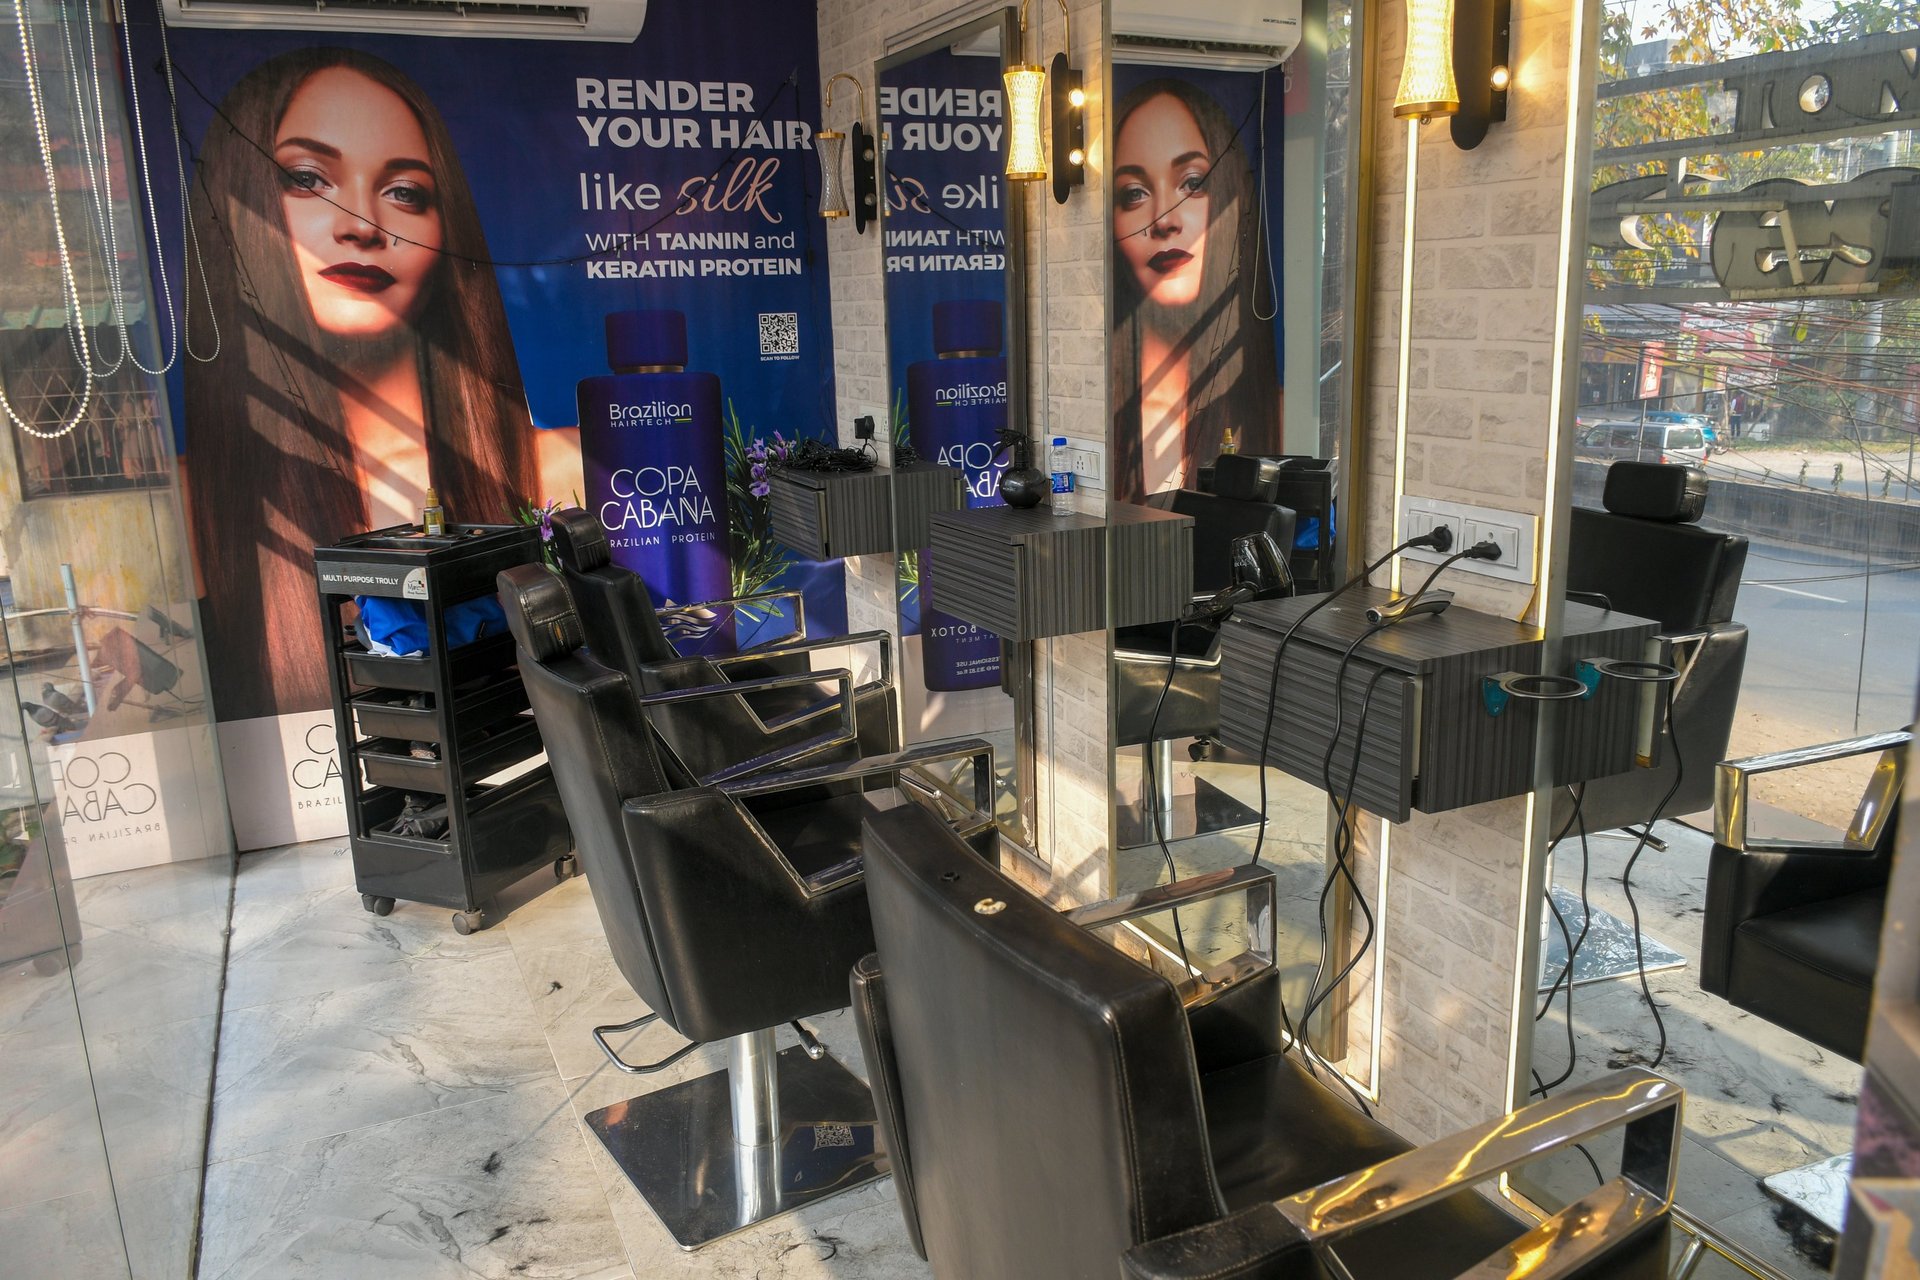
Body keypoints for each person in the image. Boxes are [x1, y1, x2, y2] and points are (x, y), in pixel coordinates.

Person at [185, 47, 574, 722]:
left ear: (445, 227)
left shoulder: (560, 467)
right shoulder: (190, 506)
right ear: (234, 202)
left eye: (404, 193)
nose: (361, 227)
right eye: (307, 179)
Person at [1109, 78, 1281, 502]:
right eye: (1134, 193)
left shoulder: (1275, 411)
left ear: (1232, 198)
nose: (1164, 220)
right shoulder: (1098, 420)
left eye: (1191, 182)